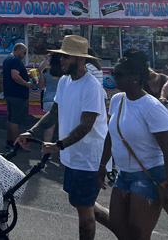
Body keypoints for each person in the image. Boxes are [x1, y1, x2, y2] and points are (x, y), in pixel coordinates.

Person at [16, 35, 111, 240]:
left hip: (89, 158)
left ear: (80, 59)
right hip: (72, 155)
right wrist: (32, 132)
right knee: (78, 202)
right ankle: (121, 227)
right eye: (61, 56)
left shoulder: (91, 87)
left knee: (85, 215)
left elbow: (86, 126)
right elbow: (54, 114)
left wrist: (57, 145)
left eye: (66, 57)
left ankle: (120, 229)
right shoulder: (65, 81)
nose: (61, 61)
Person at [96, 49, 168, 239]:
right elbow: (111, 135)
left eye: (118, 75)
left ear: (135, 77)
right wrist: (102, 165)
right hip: (124, 174)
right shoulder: (118, 99)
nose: (113, 78)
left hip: (149, 175)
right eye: (113, 74)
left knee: (138, 235)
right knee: (120, 229)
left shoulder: (152, 108)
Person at [3, 43, 34, 151]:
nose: (24, 55)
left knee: (11, 118)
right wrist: (27, 83)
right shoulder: (15, 60)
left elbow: (17, 74)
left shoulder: (8, 58)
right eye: (24, 53)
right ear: (20, 50)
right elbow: (15, 76)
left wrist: (26, 75)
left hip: (10, 93)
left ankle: (9, 141)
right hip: (18, 94)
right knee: (16, 120)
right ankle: (17, 145)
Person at [35, 51, 62, 145]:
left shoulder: (45, 71)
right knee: (62, 128)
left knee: (49, 127)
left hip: (48, 99)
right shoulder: (63, 71)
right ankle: (60, 152)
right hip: (61, 100)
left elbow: (40, 85)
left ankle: (45, 151)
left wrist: (35, 80)